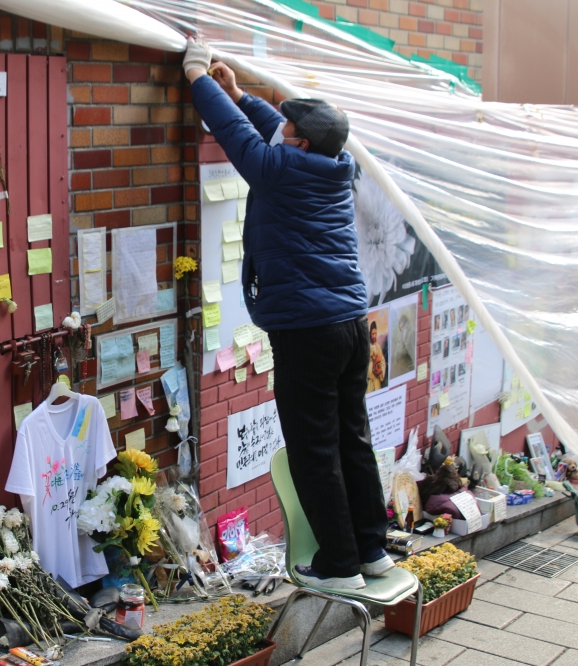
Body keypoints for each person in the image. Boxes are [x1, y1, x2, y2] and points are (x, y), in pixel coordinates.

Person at [184, 38, 390, 589]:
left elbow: (238, 135)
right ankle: (373, 550)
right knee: (352, 439)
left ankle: (339, 565)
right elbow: (271, 126)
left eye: (289, 130)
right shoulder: (333, 165)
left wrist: (198, 77)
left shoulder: (278, 168)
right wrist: (238, 93)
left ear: (298, 143)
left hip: (308, 331)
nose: (282, 133)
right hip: (351, 325)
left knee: (313, 448)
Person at [367, 321, 386, 393]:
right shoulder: (366, 348)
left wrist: (381, 370)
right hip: (369, 383)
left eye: (375, 333)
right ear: (369, 334)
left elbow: (383, 361)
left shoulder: (378, 347)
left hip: (377, 383)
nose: (374, 336)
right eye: (373, 334)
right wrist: (375, 362)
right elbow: (363, 366)